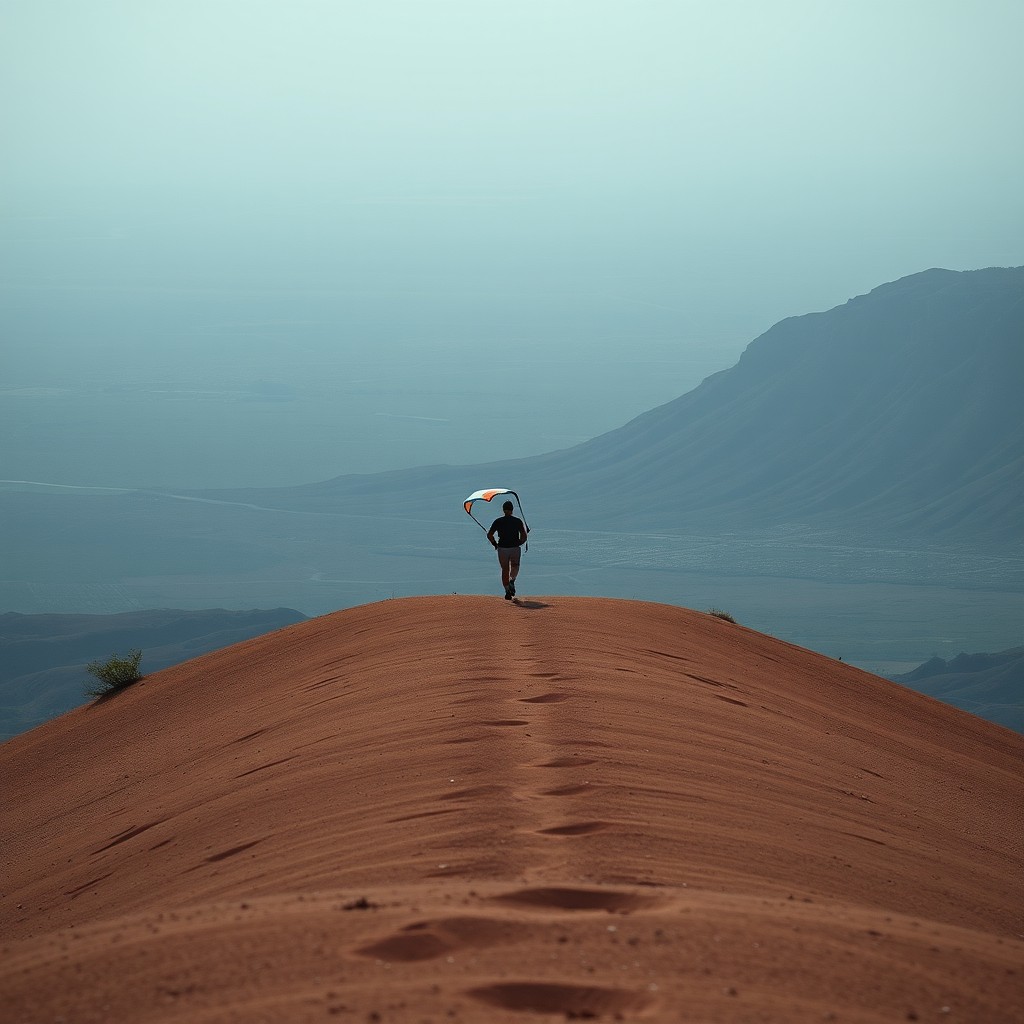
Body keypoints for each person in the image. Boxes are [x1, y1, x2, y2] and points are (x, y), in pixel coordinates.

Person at [487, 500, 528, 600]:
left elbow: (489, 535)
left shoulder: (498, 521)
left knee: (505, 569)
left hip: (502, 549)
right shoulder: (517, 521)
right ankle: (512, 581)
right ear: (512, 510)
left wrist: (495, 544)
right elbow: (524, 536)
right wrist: (520, 542)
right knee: (515, 566)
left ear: (503, 510)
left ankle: (507, 590)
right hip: (514, 548)